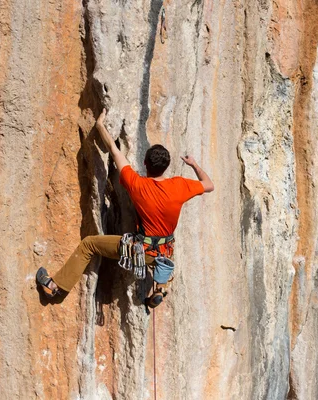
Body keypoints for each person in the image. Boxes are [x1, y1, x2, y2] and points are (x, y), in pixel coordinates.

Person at [36, 109, 214, 305]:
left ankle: (54, 287)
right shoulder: (181, 186)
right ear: (167, 166)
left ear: (145, 164)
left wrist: (100, 126)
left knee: (89, 244)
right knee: (162, 252)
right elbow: (209, 184)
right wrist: (194, 165)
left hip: (139, 251)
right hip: (163, 253)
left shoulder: (136, 184)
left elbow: (113, 149)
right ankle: (160, 289)